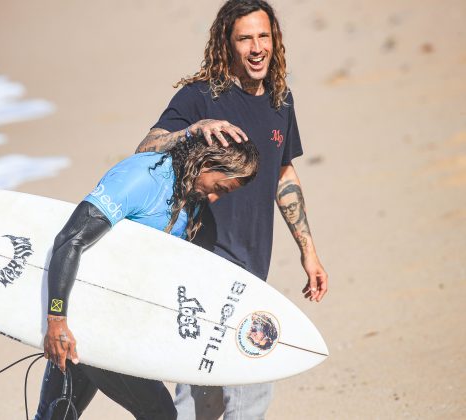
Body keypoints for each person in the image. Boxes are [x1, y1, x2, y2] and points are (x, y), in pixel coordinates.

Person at [135, 1, 329, 419]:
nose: (257, 48)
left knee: (220, 391)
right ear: (228, 43)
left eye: (264, 36)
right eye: (245, 38)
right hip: (204, 264)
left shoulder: (281, 99)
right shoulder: (200, 97)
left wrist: (308, 250)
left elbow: (284, 174)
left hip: (252, 266)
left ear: (275, 40)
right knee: (222, 388)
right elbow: (144, 149)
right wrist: (191, 130)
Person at [34, 135, 260, 420]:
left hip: (113, 318)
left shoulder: (189, 196)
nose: (214, 197)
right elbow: (70, 240)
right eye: (219, 188)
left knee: (56, 415)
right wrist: (57, 321)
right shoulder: (143, 179)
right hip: (88, 319)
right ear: (207, 162)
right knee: (160, 414)